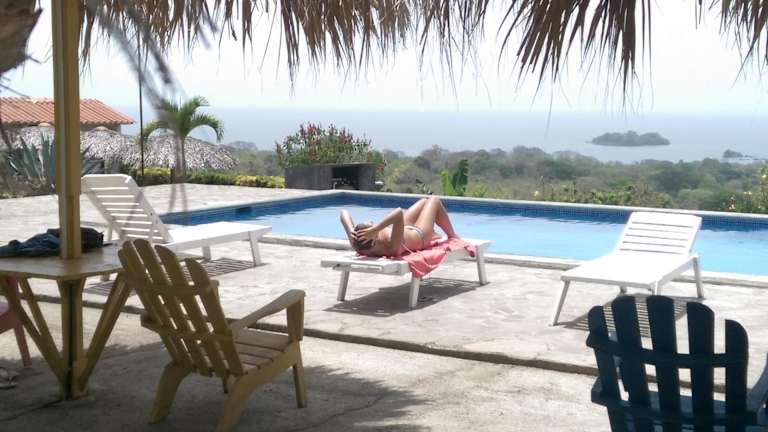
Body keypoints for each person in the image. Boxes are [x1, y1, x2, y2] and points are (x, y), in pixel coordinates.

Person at [339, 196, 457, 257]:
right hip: (419, 234)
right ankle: (452, 235)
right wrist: (375, 229)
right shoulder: (391, 247)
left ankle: (434, 234)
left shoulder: (357, 243)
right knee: (434, 200)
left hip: (402, 229)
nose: (371, 221)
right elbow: (398, 212)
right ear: (374, 238)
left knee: (423, 201)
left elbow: (343, 213)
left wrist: (351, 230)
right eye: (371, 225)